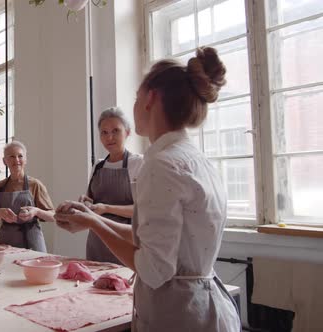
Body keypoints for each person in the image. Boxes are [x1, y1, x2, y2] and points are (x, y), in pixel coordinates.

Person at [55, 47, 241, 331]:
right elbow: (152, 239)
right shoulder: (194, 158)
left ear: (150, 98)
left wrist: (95, 220)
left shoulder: (162, 164)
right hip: (201, 306)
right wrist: (92, 218)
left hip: (179, 315)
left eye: (135, 97)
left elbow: (153, 269)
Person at [80, 107, 143, 264]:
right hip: (97, 241)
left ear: (127, 133)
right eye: (104, 132)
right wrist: (85, 203)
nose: (110, 137)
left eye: (116, 131)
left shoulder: (138, 163)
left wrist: (106, 208)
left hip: (125, 241)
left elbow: (141, 211)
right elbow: (92, 201)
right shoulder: (98, 166)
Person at [0, 141, 54, 252]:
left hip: (32, 241)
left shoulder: (35, 184)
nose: (16, 160)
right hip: (7, 241)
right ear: (4, 161)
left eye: (20, 156)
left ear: (25, 160)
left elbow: (53, 216)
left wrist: (36, 211)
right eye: (11, 156)